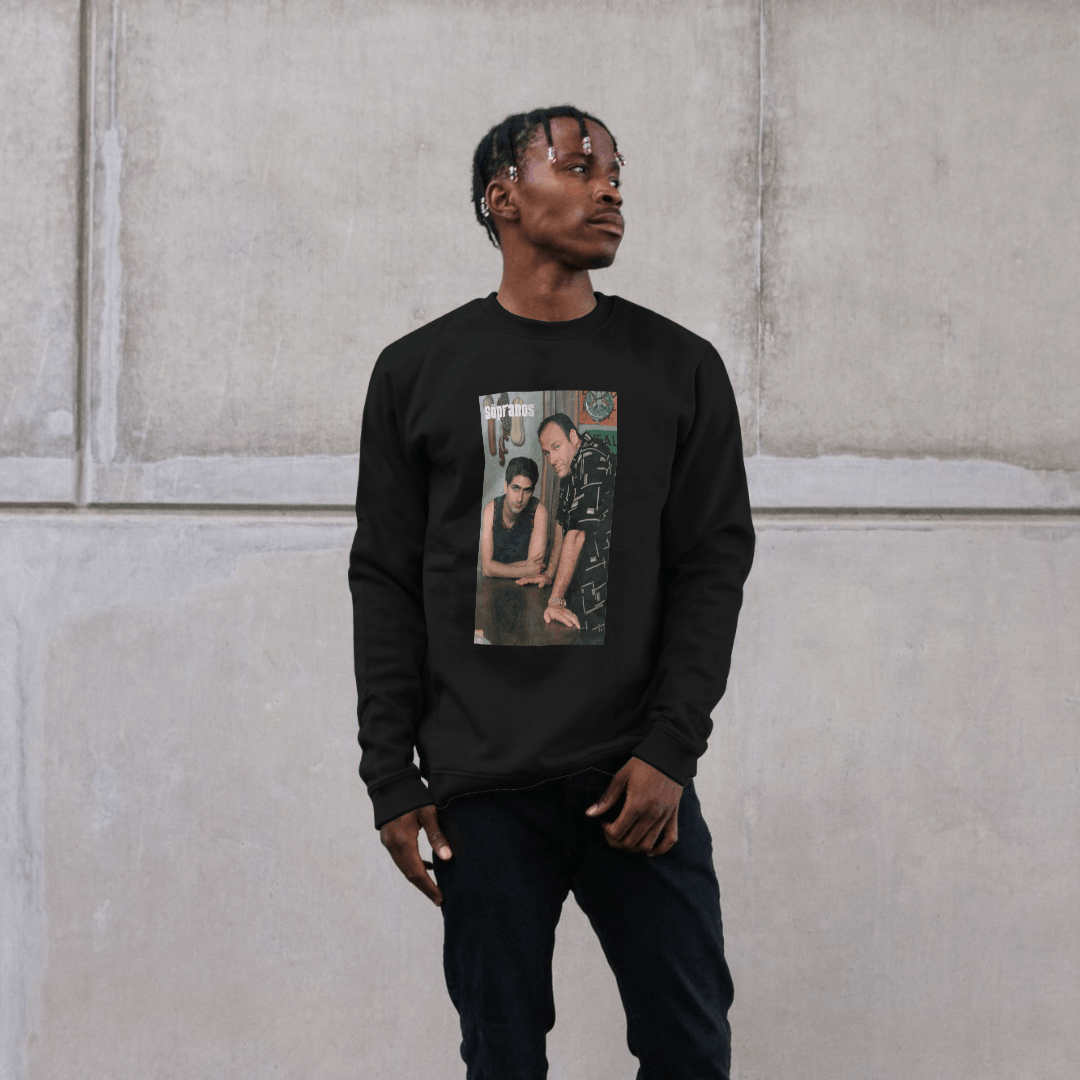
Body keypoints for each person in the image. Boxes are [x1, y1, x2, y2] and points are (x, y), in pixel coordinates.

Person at [348, 105, 755, 1078]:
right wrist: (390, 775)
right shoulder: (417, 372)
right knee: (501, 1057)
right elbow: (385, 578)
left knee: (691, 1048)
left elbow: (713, 565)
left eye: (615, 172)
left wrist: (670, 749)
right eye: (577, 166)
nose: (608, 187)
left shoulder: (679, 368)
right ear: (504, 197)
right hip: (482, 788)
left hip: (635, 780)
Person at [479, 455, 547, 579]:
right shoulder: (491, 509)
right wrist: (525, 570)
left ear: (532, 492)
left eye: (526, 490)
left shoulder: (539, 511)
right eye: (515, 488)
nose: (520, 498)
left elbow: (536, 566)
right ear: (506, 487)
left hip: (526, 584)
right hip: (493, 584)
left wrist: (495, 568)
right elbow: (486, 568)